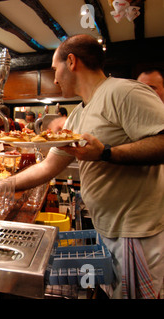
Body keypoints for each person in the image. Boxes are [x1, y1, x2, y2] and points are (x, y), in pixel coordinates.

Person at [13, 34, 164, 299]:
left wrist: (105, 152)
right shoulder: (79, 113)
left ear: (71, 61)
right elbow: (49, 167)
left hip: (136, 232)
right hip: (108, 229)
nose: (55, 78)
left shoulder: (123, 91)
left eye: (54, 68)